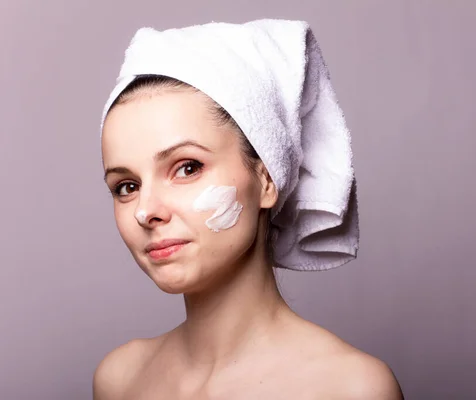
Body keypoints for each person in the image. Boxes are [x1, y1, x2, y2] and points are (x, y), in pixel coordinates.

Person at [93, 19, 403, 400]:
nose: (146, 211)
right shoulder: (120, 381)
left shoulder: (350, 388)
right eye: (127, 186)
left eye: (187, 168)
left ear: (266, 177)